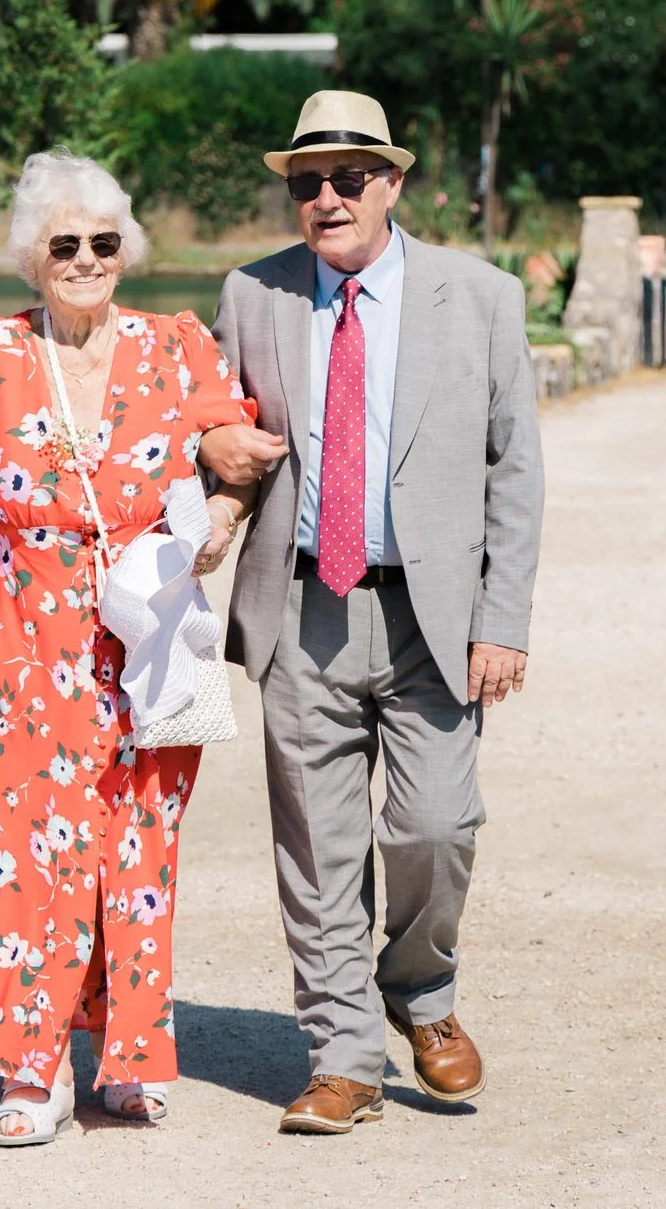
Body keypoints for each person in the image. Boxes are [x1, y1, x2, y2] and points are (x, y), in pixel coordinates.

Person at [0, 152, 262, 1148]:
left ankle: (127, 1052)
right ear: (31, 257)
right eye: (64, 243)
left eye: (102, 240)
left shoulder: (177, 347)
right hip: (6, 635)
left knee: (133, 848)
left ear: (125, 247)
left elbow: (233, 444)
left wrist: (217, 517)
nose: (86, 258)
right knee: (15, 851)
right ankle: (30, 1063)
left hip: (142, 635)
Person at [194, 89, 545, 1137]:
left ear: (394, 181)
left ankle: (419, 991)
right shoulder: (251, 296)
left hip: (430, 614)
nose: (327, 196)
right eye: (307, 182)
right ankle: (341, 1054)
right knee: (318, 846)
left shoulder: (478, 295)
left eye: (349, 177)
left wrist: (504, 617)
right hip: (300, 600)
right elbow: (215, 432)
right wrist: (211, 458)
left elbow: (513, 468)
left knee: (437, 824)